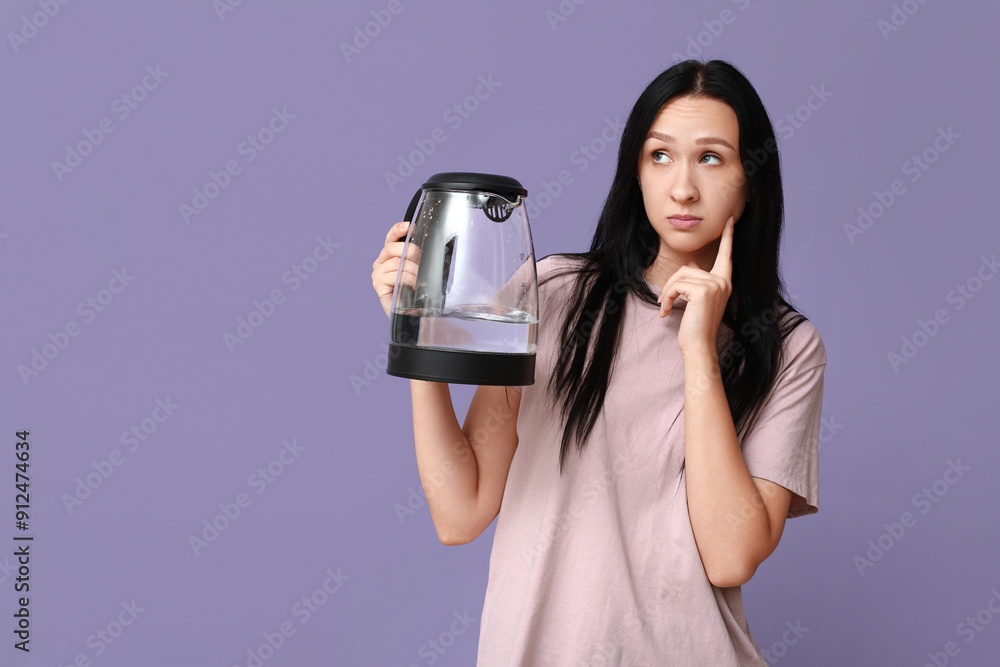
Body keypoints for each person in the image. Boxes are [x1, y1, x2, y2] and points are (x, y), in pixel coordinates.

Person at [371, 59, 827, 666]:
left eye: (711, 158)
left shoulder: (789, 346)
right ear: (636, 171)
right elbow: (461, 512)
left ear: (752, 179)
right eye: (660, 156)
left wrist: (699, 351)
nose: (683, 187)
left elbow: (729, 556)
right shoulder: (554, 295)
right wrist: (416, 332)